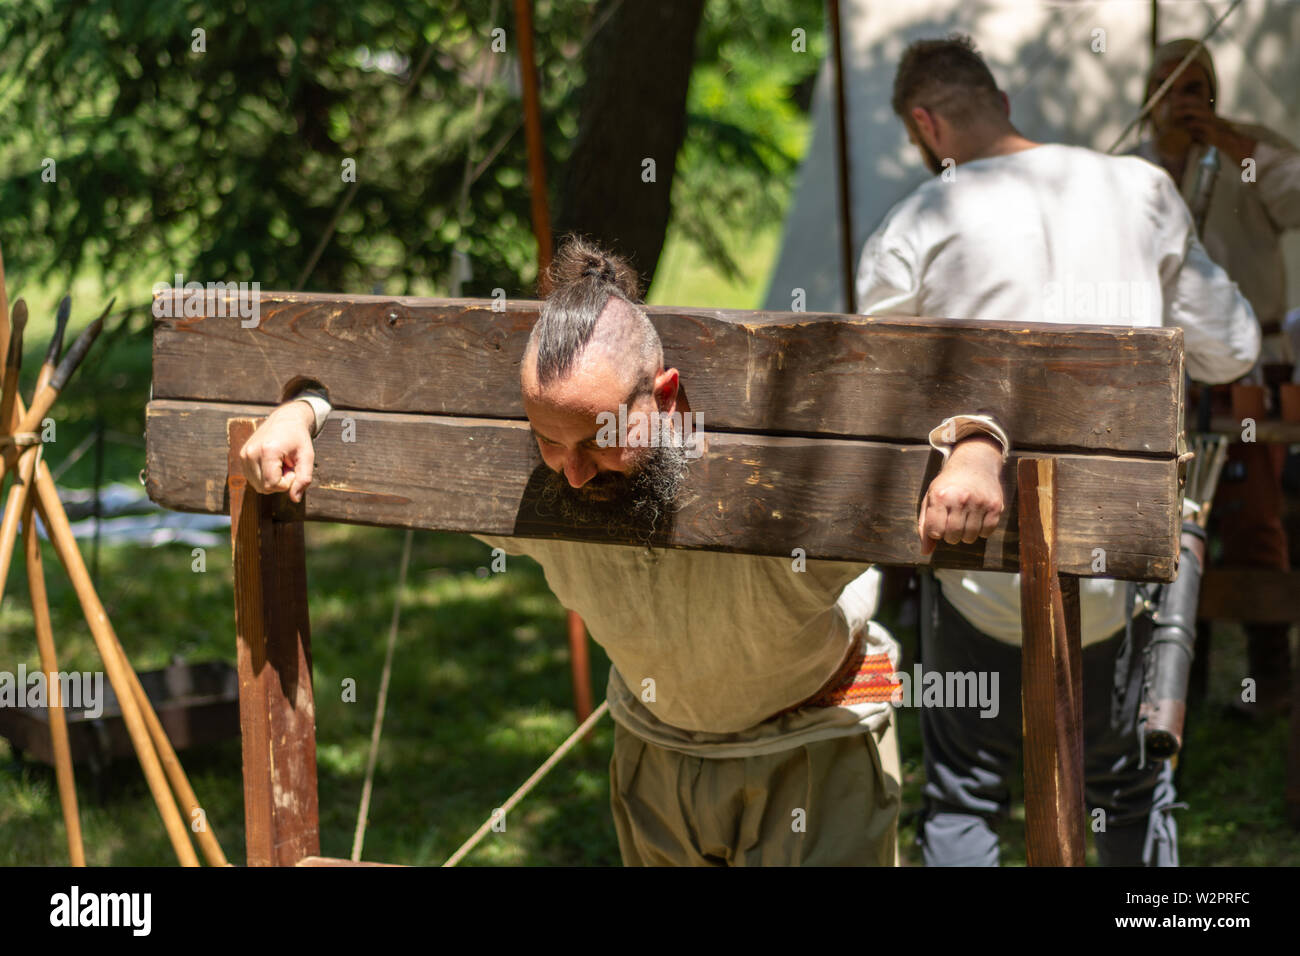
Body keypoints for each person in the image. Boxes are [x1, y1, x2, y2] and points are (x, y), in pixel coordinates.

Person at [236, 235, 1011, 866]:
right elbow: (362, 403)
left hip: (817, 742)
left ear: (668, 397)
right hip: (657, 748)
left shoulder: (789, 508)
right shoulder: (540, 491)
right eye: (546, 441)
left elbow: (975, 400)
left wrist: (975, 445)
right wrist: (305, 408)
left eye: (599, 440)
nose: (571, 473)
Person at [855, 34, 1260, 866]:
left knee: (963, 795)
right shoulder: (1145, 188)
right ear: (1003, 103)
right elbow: (1236, 349)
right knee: (1124, 788)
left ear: (926, 124)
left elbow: (868, 390)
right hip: (1120, 574)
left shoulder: (919, 217)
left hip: (977, 572)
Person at [1133, 39, 1300, 718]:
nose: (1181, 100)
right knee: (1163, 519)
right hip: (1156, 371)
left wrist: (1231, 143)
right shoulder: (1129, 172)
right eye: (1167, 87)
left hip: (1250, 365)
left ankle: (1270, 682)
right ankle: (1177, 684)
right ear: (1149, 98)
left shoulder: (1250, 152)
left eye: (1194, 86)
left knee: (1256, 516)